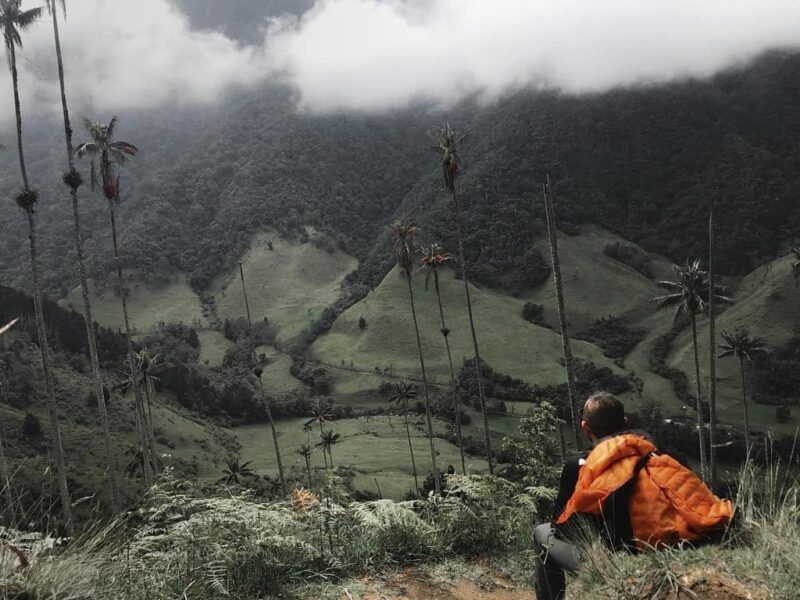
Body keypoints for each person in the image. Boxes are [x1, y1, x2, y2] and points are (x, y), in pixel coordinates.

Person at [533, 391, 733, 600]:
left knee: (541, 533)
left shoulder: (582, 466)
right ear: (625, 422)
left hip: (617, 561)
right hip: (673, 546)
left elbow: (560, 528)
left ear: (585, 427)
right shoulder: (654, 452)